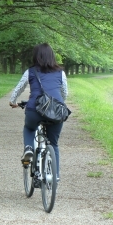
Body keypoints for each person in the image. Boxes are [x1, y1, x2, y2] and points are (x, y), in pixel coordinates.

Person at [9, 43, 68, 180]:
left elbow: (19, 88)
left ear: (35, 56)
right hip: (56, 112)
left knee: (29, 128)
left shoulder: (30, 71)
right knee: (53, 144)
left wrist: (13, 101)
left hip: (34, 109)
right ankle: (55, 176)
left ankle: (29, 148)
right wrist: (58, 103)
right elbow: (64, 93)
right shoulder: (61, 72)